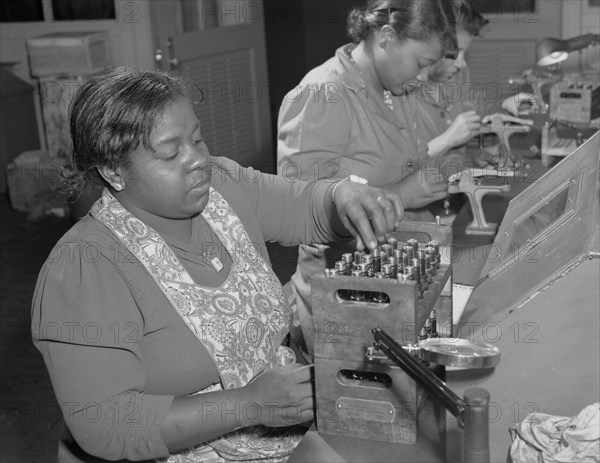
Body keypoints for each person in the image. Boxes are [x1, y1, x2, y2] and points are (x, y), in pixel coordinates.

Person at [31, 67, 403, 462]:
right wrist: (248, 405)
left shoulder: (222, 187)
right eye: (171, 152)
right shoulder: (85, 267)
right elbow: (107, 424)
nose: (197, 161)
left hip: (276, 431)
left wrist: (340, 195)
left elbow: (304, 206)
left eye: (197, 139)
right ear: (114, 171)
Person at [276, 0, 457, 358]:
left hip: (392, 282)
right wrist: (401, 194)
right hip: (342, 298)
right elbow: (294, 210)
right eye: (420, 63)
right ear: (386, 37)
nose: (423, 76)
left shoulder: (394, 88)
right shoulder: (322, 92)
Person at [408, 0, 537, 160]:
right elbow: (404, 166)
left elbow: (474, 109)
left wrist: (505, 105)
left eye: (464, 53)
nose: (462, 63)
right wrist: (447, 140)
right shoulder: (400, 90)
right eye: (454, 51)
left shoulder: (458, 74)